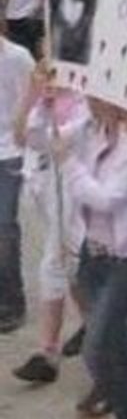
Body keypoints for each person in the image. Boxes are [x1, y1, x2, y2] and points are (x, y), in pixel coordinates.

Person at [56, 98, 127, 419]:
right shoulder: (88, 130)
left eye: (98, 94)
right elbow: (37, 136)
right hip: (89, 256)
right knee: (119, 344)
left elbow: (105, 199)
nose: (90, 100)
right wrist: (41, 101)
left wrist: (67, 162)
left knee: (95, 349)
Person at [12, 69, 90, 381]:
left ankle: (50, 354)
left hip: (79, 196)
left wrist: (52, 110)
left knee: (59, 266)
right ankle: (85, 335)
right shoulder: (45, 96)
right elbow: (22, 135)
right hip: (48, 193)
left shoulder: (87, 99)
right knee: (70, 270)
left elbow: (62, 140)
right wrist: (35, 95)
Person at [0, 21, 34, 332]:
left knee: (5, 228)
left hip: (9, 151)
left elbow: (31, 102)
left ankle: (12, 301)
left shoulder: (19, 58)